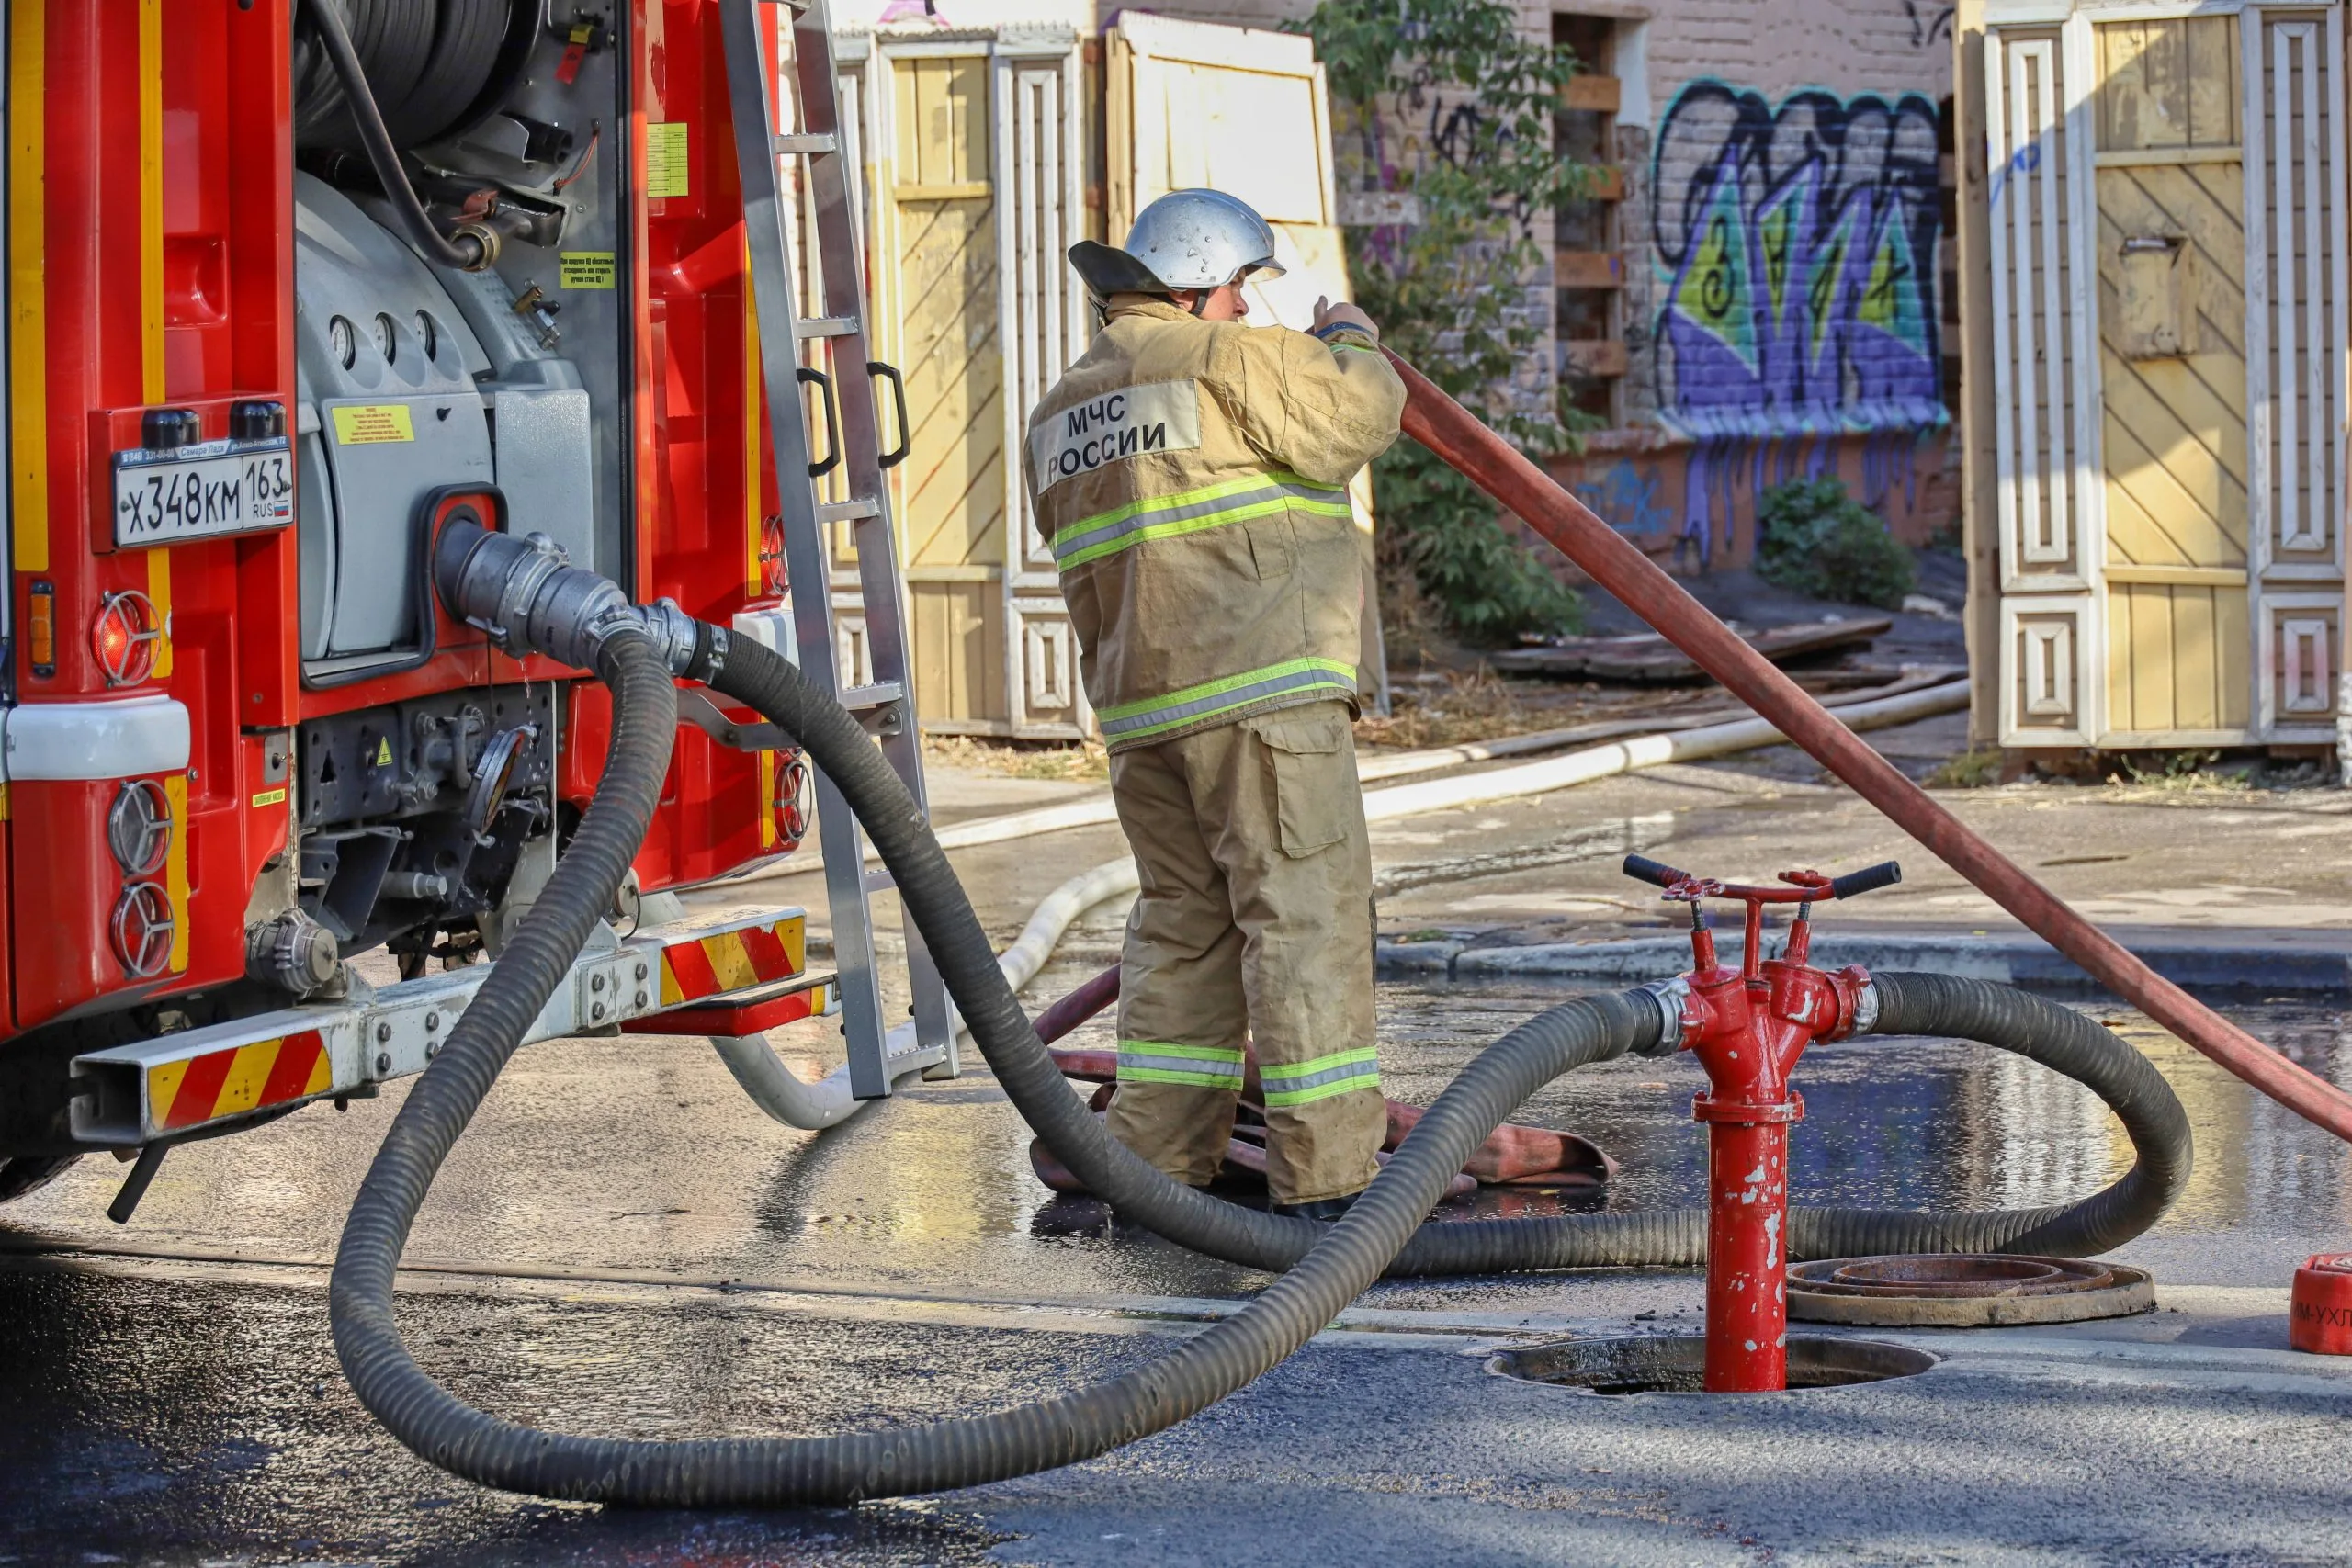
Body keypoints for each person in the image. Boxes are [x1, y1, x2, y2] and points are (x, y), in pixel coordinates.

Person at [1022, 188, 1407, 1219]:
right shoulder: (1222, 359)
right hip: (1263, 704)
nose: (1247, 310)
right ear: (1203, 285)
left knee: (1184, 934)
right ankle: (1328, 1187)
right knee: (1304, 922)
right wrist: (1347, 334)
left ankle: (1152, 1173)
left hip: (1144, 720)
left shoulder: (1060, 405)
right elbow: (1358, 413)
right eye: (1242, 290)